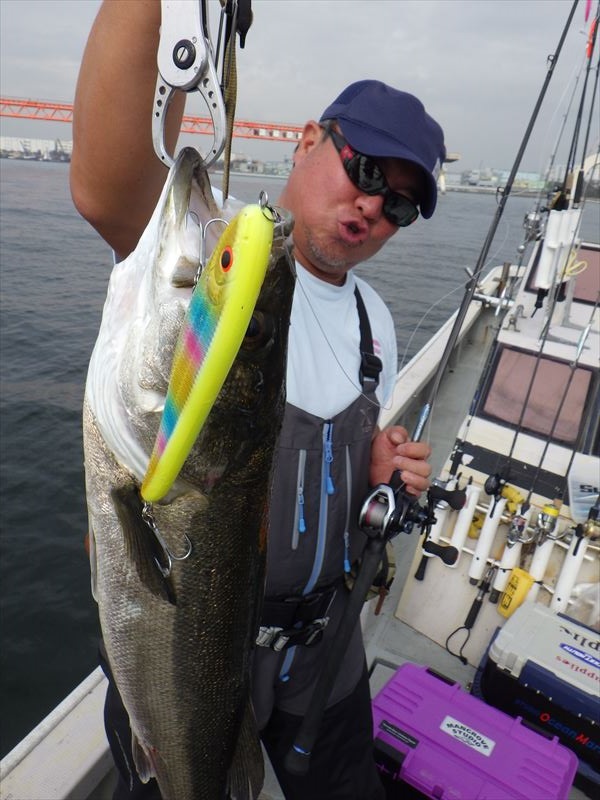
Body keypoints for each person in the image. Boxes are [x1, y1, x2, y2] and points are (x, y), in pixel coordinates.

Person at [71, 3, 445, 799]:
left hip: (325, 649)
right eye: (367, 172)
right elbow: (108, 186)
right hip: (199, 643)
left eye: (401, 204)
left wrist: (371, 464)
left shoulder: (374, 322)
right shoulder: (216, 267)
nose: (374, 206)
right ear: (308, 140)